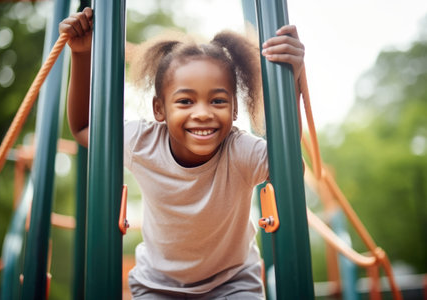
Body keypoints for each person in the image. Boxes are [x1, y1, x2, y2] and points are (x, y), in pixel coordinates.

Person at [59, 7, 305, 300]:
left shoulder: (240, 151)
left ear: (235, 109)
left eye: (217, 100)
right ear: (159, 109)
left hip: (233, 283)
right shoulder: (143, 143)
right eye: (186, 101)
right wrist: (81, 54)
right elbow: (85, 127)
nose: (202, 113)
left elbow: (290, 167)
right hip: (158, 286)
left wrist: (295, 78)